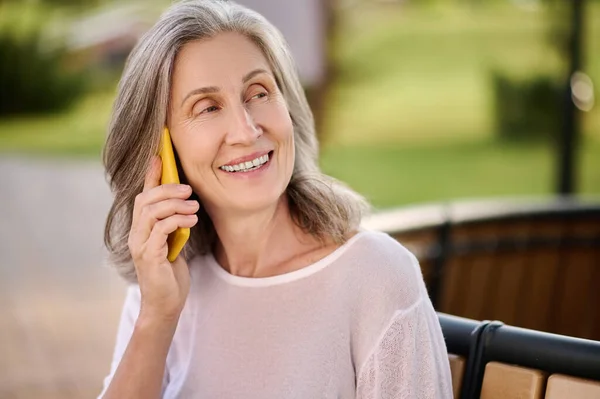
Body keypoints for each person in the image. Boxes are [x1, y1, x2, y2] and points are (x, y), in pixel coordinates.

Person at [98, 1, 453, 398]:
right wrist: (157, 317)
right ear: (161, 150)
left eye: (258, 92)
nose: (246, 131)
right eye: (208, 107)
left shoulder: (375, 276)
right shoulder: (161, 286)